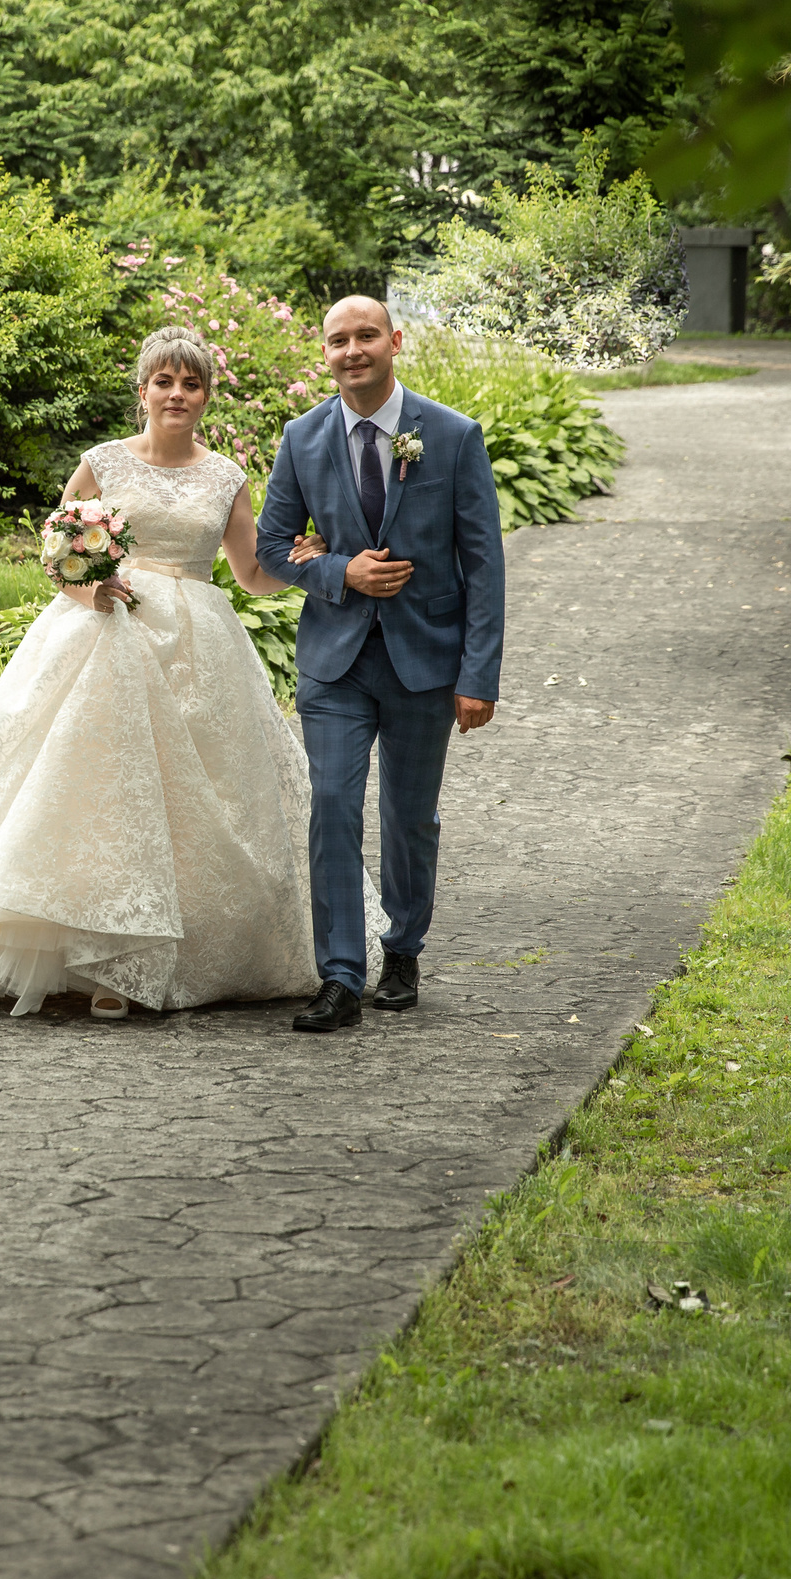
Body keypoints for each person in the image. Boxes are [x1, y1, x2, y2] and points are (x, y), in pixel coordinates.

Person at [0, 325, 326, 1017]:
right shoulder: (103, 462)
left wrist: (300, 565)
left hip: (199, 652)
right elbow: (57, 553)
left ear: (205, 396)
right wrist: (91, 588)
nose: (178, 393)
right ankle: (97, 956)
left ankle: (156, 961)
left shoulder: (227, 476)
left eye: (191, 383)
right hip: (109, 637)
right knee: (105, 789)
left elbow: (250, 575)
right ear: (143, 392)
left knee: (194, 798)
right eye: (164, 381)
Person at [254, 296, 505, 1032]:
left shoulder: (453, 436)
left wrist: (478, 674)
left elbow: (483, 565)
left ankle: (403, 947)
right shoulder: (300, 439)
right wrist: (338, 572)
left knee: (408, 816)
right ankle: (339, 975)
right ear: (324, 353)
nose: (353, 349)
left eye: (367, 335)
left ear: (395, 340)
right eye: (338, 340)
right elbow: (273, 547)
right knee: (331, 804)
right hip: (335, 661)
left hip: (426, 661)